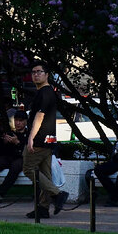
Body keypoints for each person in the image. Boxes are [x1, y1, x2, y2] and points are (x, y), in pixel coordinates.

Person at [23, 62, 69, 219]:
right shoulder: (48, 92)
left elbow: (39, 116)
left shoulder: (45, 92)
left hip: (40, 139)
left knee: (28, 169)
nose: (36, 74)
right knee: (45, 174)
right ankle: (43, 208)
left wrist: (31, 138)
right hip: (49, 140)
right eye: (33, 72)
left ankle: (58, 194)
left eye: (39, 72)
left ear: (47, 74)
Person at [0, 111, 28, 202]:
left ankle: (0, 193)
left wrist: (17, 143)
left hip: (21, 158)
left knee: (15, 167)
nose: (18, 123)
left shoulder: (29, 134)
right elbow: (1, 152)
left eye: (20, 121)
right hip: (8, 157)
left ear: (25, 122)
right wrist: (4, 142)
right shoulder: (10, 133)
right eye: (16, 120)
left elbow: (27, 151)